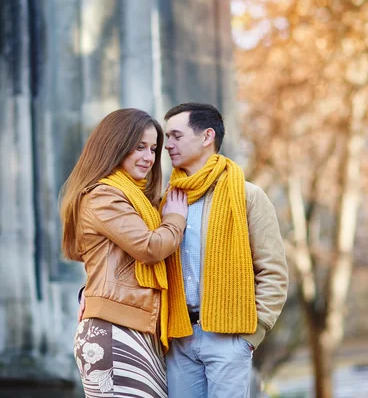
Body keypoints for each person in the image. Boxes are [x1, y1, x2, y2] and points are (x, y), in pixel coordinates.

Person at [160, 103, 288, 398]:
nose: (168, 145)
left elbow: (273, 271)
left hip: (229, 337)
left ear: (206, 137)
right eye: (167, 137)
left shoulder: (247, 195)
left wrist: (250, 336)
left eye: (176, 136)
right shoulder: (167, 199)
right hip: (180, 337)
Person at [60, 108, 188, 398]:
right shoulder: (103, 195)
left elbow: (108, 262)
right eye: (139, 146)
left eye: (154, 149)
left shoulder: (136, 198)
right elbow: (149, 247)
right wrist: (176, 219)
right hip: (116, 332)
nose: (148, 157)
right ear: (115, 145)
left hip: (136, 331)